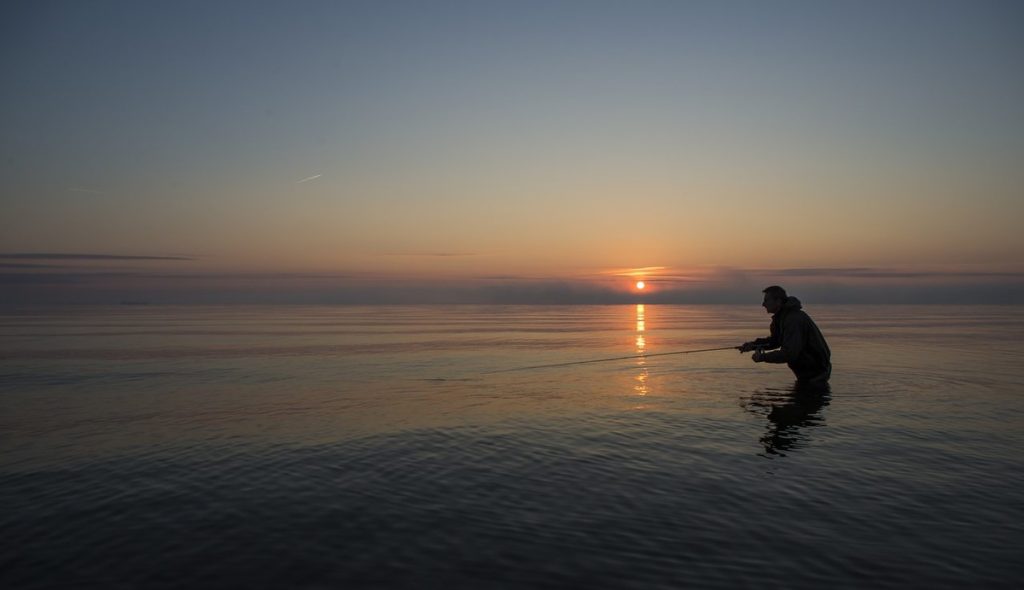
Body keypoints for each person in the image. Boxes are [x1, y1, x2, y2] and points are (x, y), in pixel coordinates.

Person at [737, 286, 831, 384]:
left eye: (766, 300)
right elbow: (775, 341)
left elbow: (789, 353)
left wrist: (762, 357)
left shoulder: (793, 320)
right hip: (807, 375)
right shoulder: (782, 318)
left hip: (816, 375)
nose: (763, 304)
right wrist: (753, 345)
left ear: (778, 301)